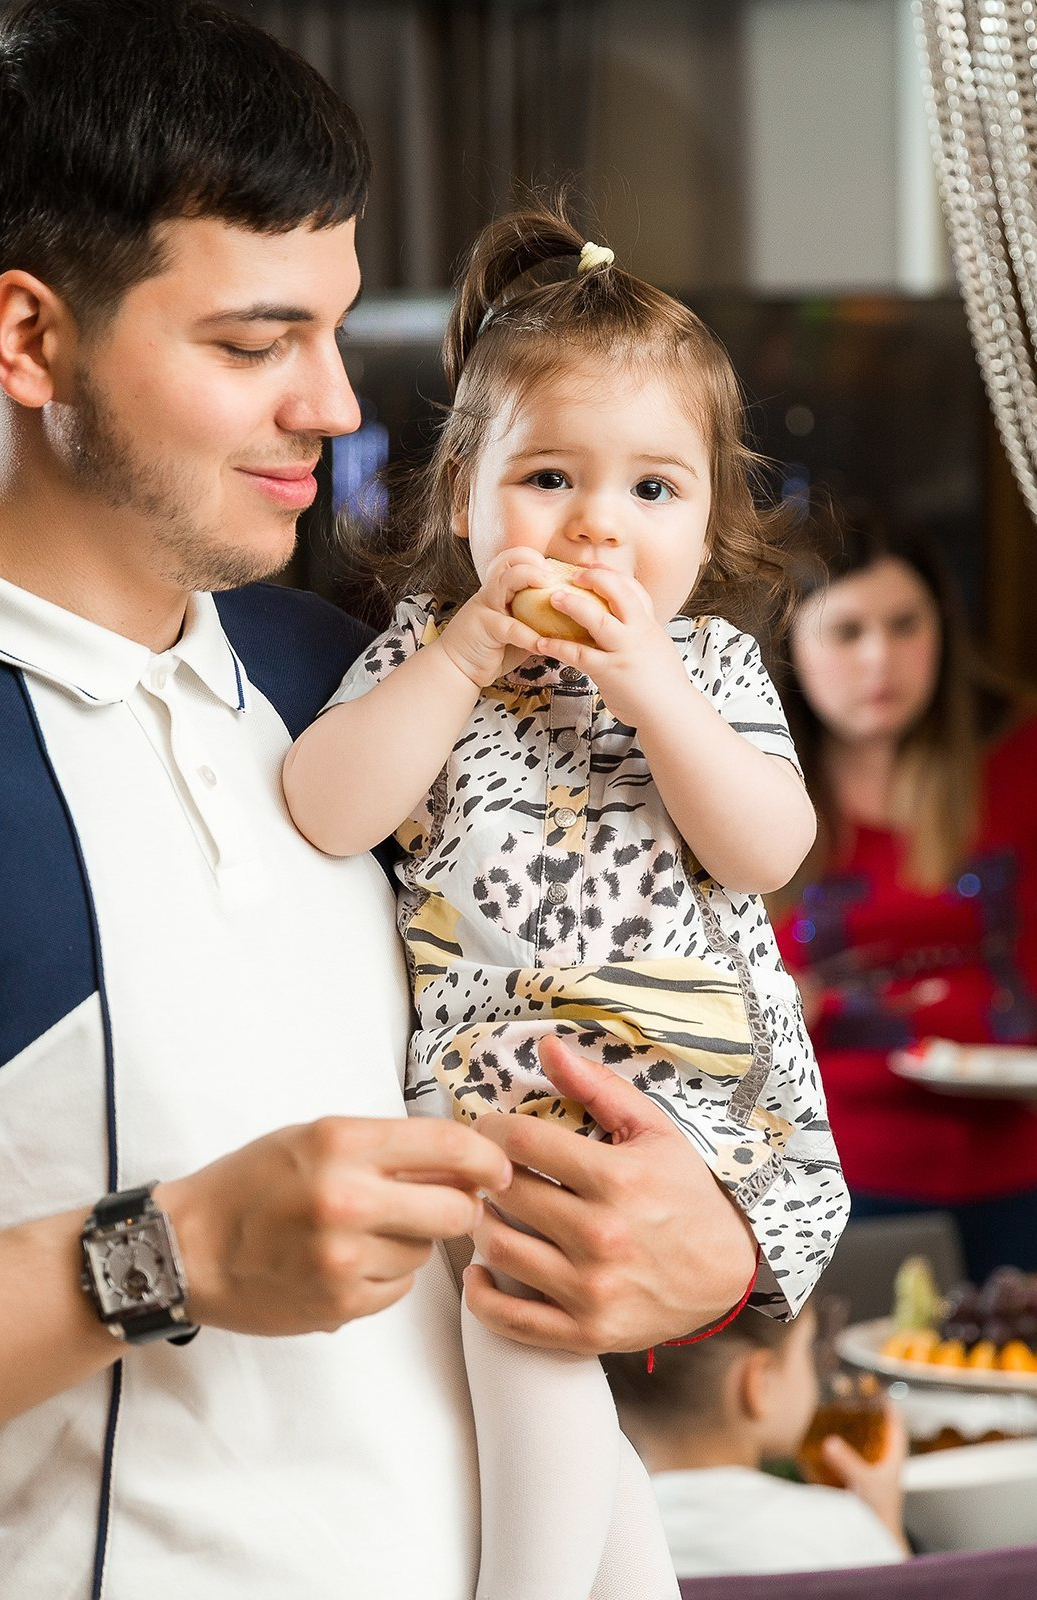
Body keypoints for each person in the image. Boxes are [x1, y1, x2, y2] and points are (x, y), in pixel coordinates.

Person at [0, 8, 764, 1600]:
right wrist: (164, 1256)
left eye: (328, 333)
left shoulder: (354, 679)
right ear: (31, 340)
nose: (331, 406)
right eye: (254, 345)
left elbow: (678, 983)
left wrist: (714, 1245)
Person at [284, 210, 848, 1598]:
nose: (599, 525)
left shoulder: (707, 667)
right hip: (497, 1103)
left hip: (683, 1093)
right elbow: (328, 806)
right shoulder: (428, 655)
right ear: (466, 493)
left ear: (708, 517)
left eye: (654, 491)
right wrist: (469, 649)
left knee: (518, 1328)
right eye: (549, 479)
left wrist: (650, 688)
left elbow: (768, 844)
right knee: (524, 1344)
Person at [776, 517, 1037, 1278]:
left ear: (943, 630)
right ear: (789, 647)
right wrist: (771, 1001)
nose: (880, 657)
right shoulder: (742, 776)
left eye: (904, 624)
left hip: (1030, 1162)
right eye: (846, 632)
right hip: (828, 1168)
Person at [603, 1310, 907, 1578]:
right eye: (806, 1349)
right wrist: (885, 1520)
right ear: (758, 1382)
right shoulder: (839, 1530)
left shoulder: (601, 1542)